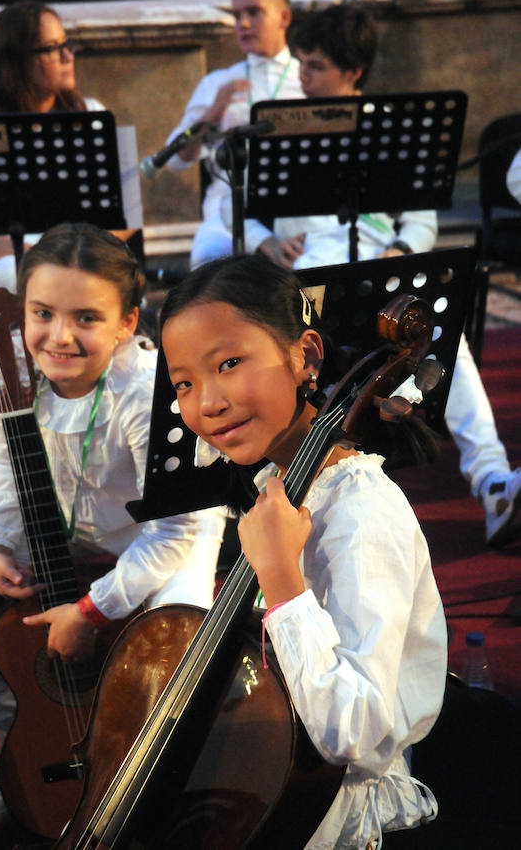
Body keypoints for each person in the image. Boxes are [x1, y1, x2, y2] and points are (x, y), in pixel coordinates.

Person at [0, 222, 226, 826]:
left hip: (158, 533)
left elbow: (176, 533)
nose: (58, 337)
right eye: (42, 313)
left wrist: (92, 610)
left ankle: (146, 768)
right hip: (53, 518)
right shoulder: (9, 368)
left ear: (127, 323)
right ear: (21, 309)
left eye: (86, 318)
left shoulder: (149, 394)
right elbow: (5, 473)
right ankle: (26, 737)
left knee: (176, 638)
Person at [159, 253, 447, 849]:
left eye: (230, 363)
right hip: (278, 769)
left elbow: (355, 731)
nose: (205, 403)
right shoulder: (278, 485)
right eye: (184, 383)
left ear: (306, 356)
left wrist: (283, 580)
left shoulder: (360, 512)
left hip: (334, 807)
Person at [240, 2, 521, 547]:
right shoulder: (280, 126)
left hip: (380, 280)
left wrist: (397, 249)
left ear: (353, 72)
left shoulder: (389, 132)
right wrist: (267, 240)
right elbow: (247, 213)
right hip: (309, 283)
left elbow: (420, 220)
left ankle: (493, 486)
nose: (303, 75)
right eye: (300, 62)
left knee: (443, 334)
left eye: (317, 65)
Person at [0, 0, 105, 295]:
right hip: (13, 260)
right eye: (50, 48)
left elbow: (129, 215)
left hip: (85, 257)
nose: (67, 56)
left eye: (67, 44)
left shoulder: (92, 116)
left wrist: (73, 255)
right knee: (10, 275)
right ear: (14, 63)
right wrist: (34, 256)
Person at [165, 0, 303, 270]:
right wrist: (214, 111)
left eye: (254, 12)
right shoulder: (219, 82)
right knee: (209, 258)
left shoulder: (307, 78)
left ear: (284, 18)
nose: (242, 24)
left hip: (296, 210)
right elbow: (175, 159)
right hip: (227, 211)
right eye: (237, 14)